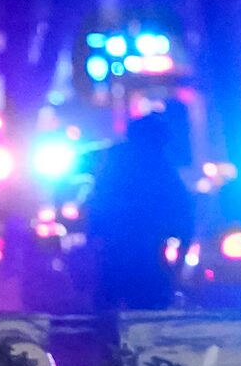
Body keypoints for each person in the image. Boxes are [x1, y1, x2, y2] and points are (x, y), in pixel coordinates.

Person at [84, 111, 198, 311]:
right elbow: (185, 223)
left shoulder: (116, 166)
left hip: (130, 261)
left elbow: (95, 212)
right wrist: (176, 272)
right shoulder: (162, 174)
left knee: (111, 318)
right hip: (137, 262)